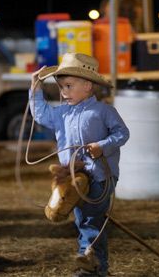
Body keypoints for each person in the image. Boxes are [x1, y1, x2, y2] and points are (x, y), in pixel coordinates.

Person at [29, 53, 130, 277]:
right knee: (82, 219)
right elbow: (40, 114)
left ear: (87, 86)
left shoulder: (103, 112)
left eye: (68, 86)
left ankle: (90, 263)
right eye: (61, 87)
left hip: (101, 176)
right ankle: (94, 263)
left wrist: (102, 146)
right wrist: (36, 88)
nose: (63, 92)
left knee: (90, 220)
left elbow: (122, 133)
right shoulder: (61, 113)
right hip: (74, 176)